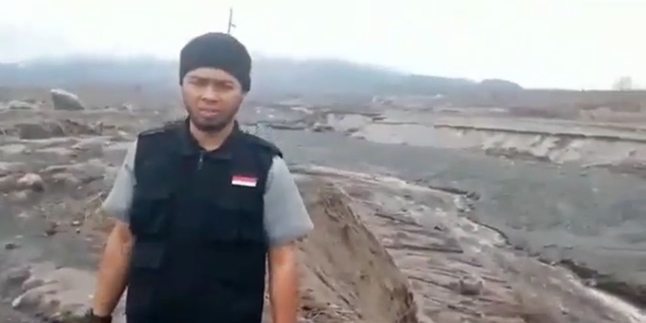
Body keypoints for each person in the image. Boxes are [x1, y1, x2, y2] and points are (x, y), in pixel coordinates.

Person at [87, 32, 314, 323]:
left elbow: (283, 259)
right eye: (198, 82)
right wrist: (99, 315)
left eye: (224, 85)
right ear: (182, 84)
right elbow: (122, 239)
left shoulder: (265, 165)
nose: (209, 95)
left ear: (242, 92)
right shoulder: (146, 152)